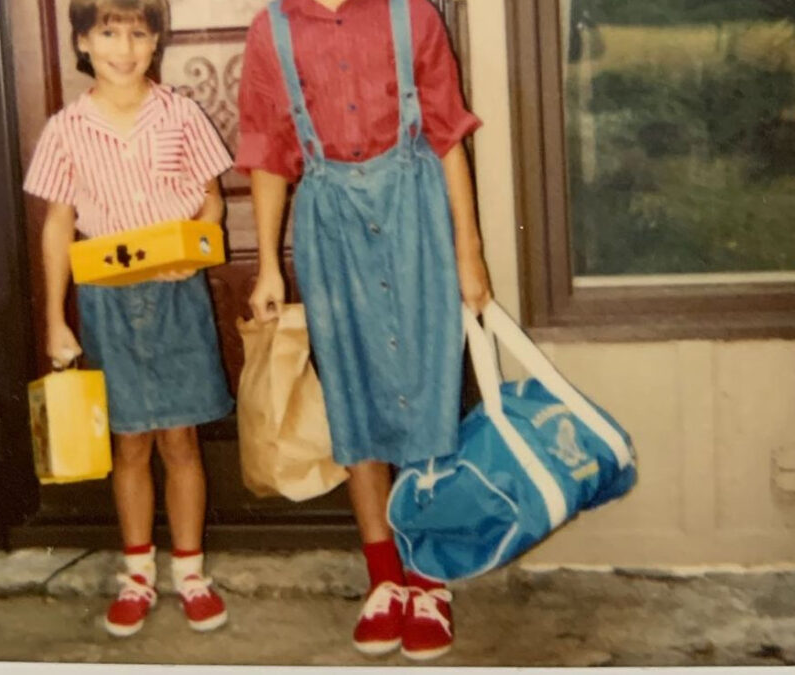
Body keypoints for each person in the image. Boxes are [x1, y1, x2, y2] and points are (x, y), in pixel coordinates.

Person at [236, 0, 491, 661]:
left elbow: (447, 137)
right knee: (353, 393)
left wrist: (470, 252)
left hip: (417, 212)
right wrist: (267, 265)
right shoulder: (273, 30)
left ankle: (429, 578)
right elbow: (267, 152)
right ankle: (384, 577)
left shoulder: (415, 17)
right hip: (329, 219)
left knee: (428, 388)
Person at [23, 0, 235, 638]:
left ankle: (190, 573)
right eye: (108, 33)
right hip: (107, 299)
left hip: (176, 295)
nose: (123, 48)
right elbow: (58, 224)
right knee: (131, 443)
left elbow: (213, 202)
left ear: (155, 42)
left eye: (137, 34)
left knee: (180, 440)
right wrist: (56, 319)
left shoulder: (180, 114)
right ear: (83, 43)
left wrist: (192, 247)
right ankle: (138, 573)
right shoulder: (66, 127)